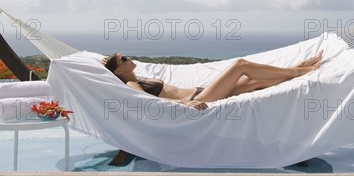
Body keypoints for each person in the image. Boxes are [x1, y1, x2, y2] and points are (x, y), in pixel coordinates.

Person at [103, 50, 323, 110]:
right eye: (123, 59)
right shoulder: (131, 84)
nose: (129, 58)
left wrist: (107, 62)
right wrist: (184, 104)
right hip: (199, 98)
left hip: (200, 90)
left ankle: (297, 67)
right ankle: (298, 72)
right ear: (119, 70)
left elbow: (107, 65)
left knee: (254, 82)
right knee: (241, 65)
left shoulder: (137, 77)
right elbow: (149, 103)